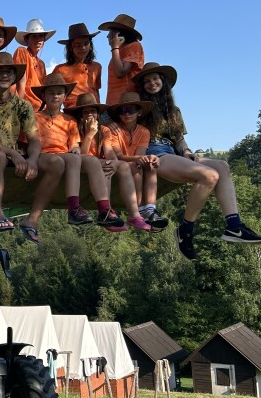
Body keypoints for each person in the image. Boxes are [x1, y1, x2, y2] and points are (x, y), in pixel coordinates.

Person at [134, 62, 261, 258]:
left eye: (155, 79)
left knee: (222, 166)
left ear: (163, 82)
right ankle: (186, 230)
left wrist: (186, 151)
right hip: (154, 153)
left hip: (173, 153)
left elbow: (179, 139)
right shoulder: (140, 109)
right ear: (142, 87)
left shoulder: (173, 110)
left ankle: (234, 226)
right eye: (147, 81)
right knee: (209, 176)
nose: (152, 83)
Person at [0, 52, 65, 244]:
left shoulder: (23, 106)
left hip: (16, 154)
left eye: (9, 72)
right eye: (0, 72)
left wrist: (33, 161)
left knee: (56, 163)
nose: (5, 75)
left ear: (14, 77)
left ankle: (32, 220)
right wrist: (11, 152)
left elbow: (34, 139)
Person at [31, 73, 125, 229]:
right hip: (44, 155)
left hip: (66, 156)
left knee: (92, 160)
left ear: (65, 96)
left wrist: (75, 149)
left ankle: (104, 210)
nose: (55, 96)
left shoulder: (70, 120)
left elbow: (74, 144)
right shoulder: (35, 117)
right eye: (51, 93)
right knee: (73, 159)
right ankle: (73, 208)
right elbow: (32, 143)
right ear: (43, 95)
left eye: (59, 93)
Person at [67, 93, 155, 231]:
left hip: (99, 162)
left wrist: (114, 162)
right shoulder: (74, 127)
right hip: (82, 162)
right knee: (103, 166)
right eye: (85, 112)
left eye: (92, 111)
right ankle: (106, 213)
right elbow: (82, 154)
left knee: (123, 166)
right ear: (80, 114)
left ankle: (134, 214)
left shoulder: (104, 130)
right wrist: (89, 135)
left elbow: (109, 152)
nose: (89, 114)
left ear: (97, 114)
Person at [105, 92, 163, 230]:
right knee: (137, 166)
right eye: (122, 111)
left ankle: (150, 207)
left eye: (130, 110)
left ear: (139, 112)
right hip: (120, 163)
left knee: (149, 164)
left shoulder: (144, 131)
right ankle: (138, 209)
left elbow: (140, 154)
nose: (126, 114)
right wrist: (143, 158)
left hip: (133, 162)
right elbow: (119, 155)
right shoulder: (113, 130)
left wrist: (148, 159)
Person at [98, 14, 145, 104]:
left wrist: (114, 47)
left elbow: (120, 72)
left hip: (127, 102)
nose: (107, 37)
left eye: (110, 33)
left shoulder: (134, 46)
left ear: (118, 34)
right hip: (113, 102)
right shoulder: (118, 53)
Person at [53, 23, 102, 109]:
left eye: (86, 43)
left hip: (94, 110)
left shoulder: (97, 67)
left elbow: (96, 91)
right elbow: (53, 93)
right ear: (71, 47)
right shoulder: (60, 70)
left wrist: (100, 111)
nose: (83, 48)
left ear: (90, 45)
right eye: (78, 45)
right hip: (73, 111)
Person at [13, 18, 54, 111]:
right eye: (34, 36)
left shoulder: (41, 64)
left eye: (41, 36)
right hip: (25, 106)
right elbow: (20, 83)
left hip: (40, 107)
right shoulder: (22, 52)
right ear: (26, 40)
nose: (38, 40)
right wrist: (19, 107)